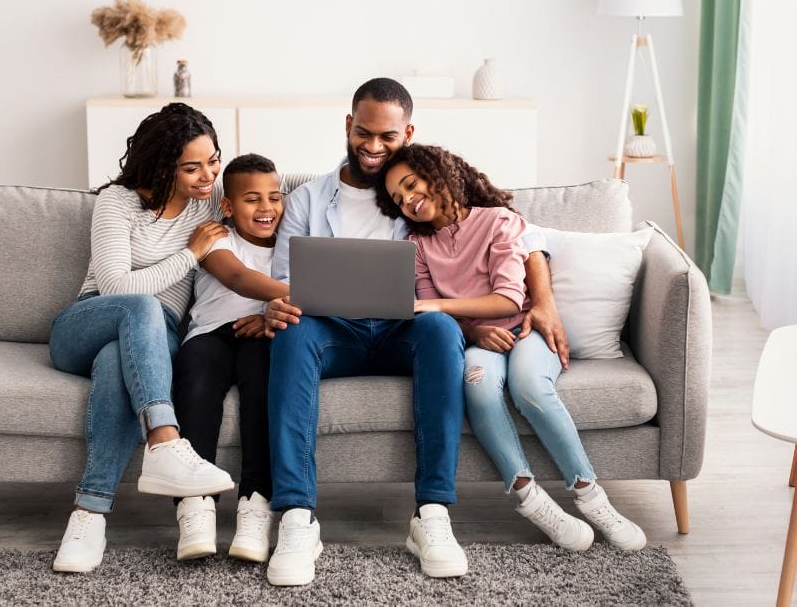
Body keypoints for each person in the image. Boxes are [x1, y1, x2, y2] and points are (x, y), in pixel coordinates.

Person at [261, 78, 571, 586]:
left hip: (407, 328)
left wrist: (545, 300)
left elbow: (519, 230)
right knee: (293, 335)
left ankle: (432, 515)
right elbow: (284, 280)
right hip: (332, 333)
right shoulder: (308, 199)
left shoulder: (425, 181)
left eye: (388, 136)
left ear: (408, 133)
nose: (374, 147)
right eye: (364, 133)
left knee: (439, 331)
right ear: (348, 125)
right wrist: (278, 304)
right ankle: (297, 517)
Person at [375, 143, 647, 553]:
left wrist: (435, 305)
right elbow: (436, 319)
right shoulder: (418, 246)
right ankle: (531, 499)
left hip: (526, 328)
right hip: (481, 339)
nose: (408, 199)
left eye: (411, 185)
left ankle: (592, 496)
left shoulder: (498, 221)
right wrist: (471, 331)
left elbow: (505, 299)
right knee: (478, 388)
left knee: (529, 387)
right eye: (398, 198)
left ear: (438, 174)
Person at [49, 103, 236, 573]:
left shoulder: (212, 199)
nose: (207, 174)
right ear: (162, 164)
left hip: (154, 342)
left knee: (118, 363)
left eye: (213, 160)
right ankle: (166, 442)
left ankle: (88, 516)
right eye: (191, 167)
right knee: (141, 306)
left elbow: (272, 191)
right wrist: (192, 253)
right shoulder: (119, 202)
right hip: (86, 323)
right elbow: (115, 286)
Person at [170, 153, 290, 564]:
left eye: (275, 197)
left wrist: (268, 314)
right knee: (196, 385)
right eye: (252, 199)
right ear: (227, 206)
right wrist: (315, 295)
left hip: (261, 335)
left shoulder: (292, 245)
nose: (266, 208)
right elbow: (238, 277)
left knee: (263, 391)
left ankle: (256, 504)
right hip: (211, 335)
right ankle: (195, 505)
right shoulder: (215, 236)